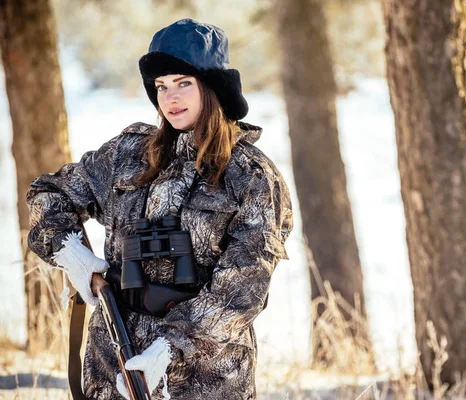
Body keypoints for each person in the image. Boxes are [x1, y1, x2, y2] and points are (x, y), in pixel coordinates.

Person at [27, 19, 293, 399]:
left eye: (183, 83)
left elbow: (243, 289)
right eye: (161, 86)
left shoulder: (250, 176)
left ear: (213, 87)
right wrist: (71, 254)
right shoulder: (127, 154)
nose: (170, 98)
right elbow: (48, 193)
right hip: (113, 359)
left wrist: (170, 347)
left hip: (207, 376)